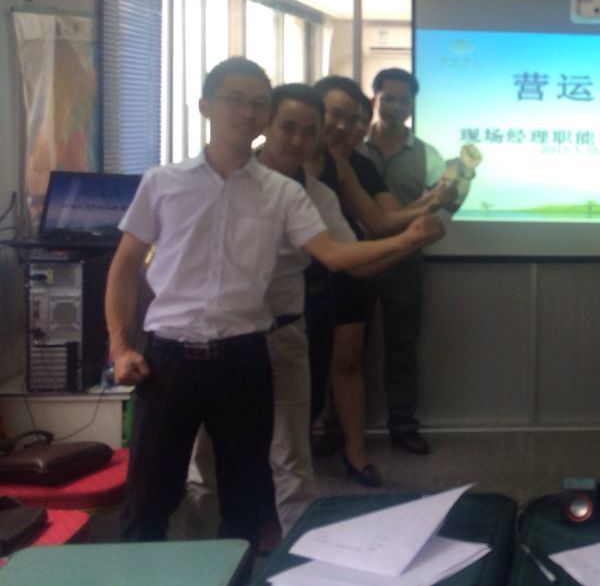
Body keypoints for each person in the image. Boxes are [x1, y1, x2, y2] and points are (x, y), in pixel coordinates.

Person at [105, 58, 437, 543]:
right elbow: (125, 264)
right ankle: (174, 578)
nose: (246, 112)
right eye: (235, 100)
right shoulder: (163, 182)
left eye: (257, 104)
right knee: (151, 496)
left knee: (249, 494)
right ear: (205, 106)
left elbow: (334, 253)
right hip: (170, 357)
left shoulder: (286, 194)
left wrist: (406, 240)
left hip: (246, 355)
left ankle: (245, 576)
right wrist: (119, 347)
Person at [309, 74, 445, 478]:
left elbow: (380, 221)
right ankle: (325, 438)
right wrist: (412, 231)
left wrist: (429, 208)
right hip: (297, 287)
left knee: (361, 357)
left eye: (353, 119)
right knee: (311, 370)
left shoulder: (350, 167)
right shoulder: (277, 168)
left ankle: (364, 447)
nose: (345, 127)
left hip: (358, 268)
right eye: (336, 115)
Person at [358, 68, 482, 455]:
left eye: (403, 100)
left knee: (402, 347)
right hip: (353, 260)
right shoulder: (352, 148)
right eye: (388, 98)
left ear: (412, 106)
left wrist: (462, 179)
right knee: (348, 350)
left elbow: (445, 202)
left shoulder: (428, 154)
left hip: (404, 261)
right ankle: (337, 428)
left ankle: (402, 425)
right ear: (375, 98)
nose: (395, 106)